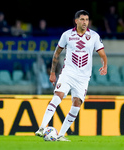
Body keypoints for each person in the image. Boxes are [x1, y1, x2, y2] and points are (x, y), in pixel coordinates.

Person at [35, 10, 107, 141]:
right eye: (82, 19)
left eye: (87, 19)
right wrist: (52, 73)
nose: (85, 22)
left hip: (83, 78)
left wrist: (105, 65)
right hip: (68, 73)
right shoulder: (67, 35)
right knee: (58, 97)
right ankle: (41, 128)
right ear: (76, 21)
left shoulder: (94, 36)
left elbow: (102, 54)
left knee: (76, 105)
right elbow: (56, 54)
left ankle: (60, 135)